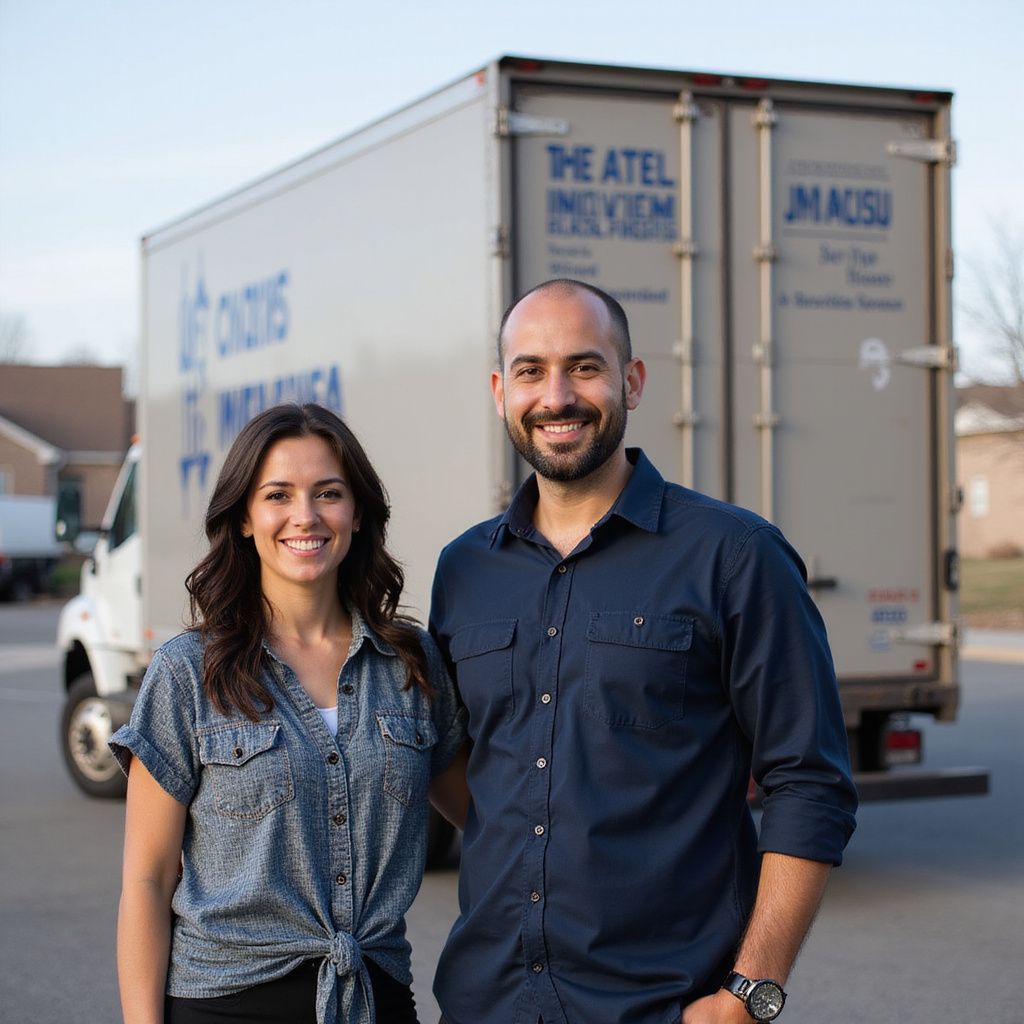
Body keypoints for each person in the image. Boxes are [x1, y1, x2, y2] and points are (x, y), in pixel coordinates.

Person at [429, 280, 857, 1024]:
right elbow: (462, 764)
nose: (556, 396)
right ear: (501, 391)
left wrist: (750, 994)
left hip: (663, 1005)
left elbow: (809, 782)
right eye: (530, 371)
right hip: (487, 1003)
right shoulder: (464, 569)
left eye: (585, 367)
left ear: (632, 381)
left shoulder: (736, 555)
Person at [110, 403, 468, 1024]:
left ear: (357, 514)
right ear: (245, 518)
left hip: (374, 1000)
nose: (305, 516)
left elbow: (498, 824)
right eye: (278, 494)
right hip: (222, 1005)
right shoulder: (187, 672)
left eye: (328, 493)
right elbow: (147, 880)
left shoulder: (411, 665)